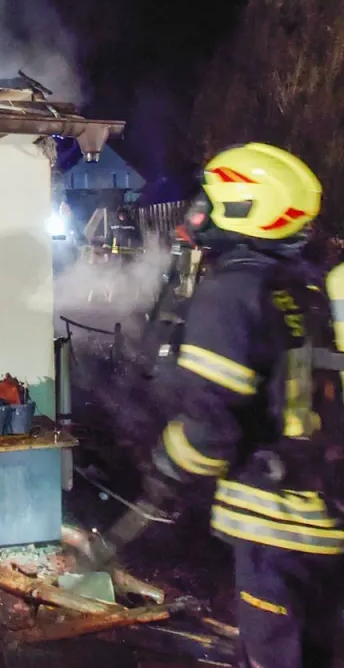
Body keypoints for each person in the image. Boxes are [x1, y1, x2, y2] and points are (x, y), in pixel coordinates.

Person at [141, 143, 344, 668]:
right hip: (330, 518)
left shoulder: (232, 291)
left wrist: (166, 467)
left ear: (245, 207)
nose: (197, 212)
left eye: (209, 199)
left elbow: (212, 433)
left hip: (276, 527)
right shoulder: (310, 287)